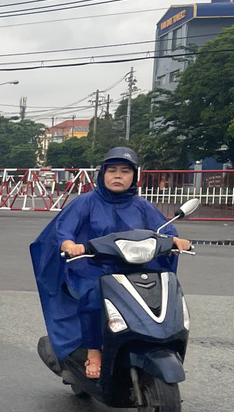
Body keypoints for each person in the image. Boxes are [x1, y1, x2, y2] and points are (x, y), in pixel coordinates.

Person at [30, 147, 192, 378]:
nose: (118, 175)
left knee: (163, 294)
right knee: (95, 296)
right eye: (112, 170)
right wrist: (69, 244)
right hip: (93, 269)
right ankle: (94, 352)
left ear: (134, 176)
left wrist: (176, 241)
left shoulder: (142, 205)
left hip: (135, 268)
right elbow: (63, 230)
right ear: (102, 174)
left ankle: (155, 340)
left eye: (125, 171)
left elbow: (162, 230)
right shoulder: (86, 202)